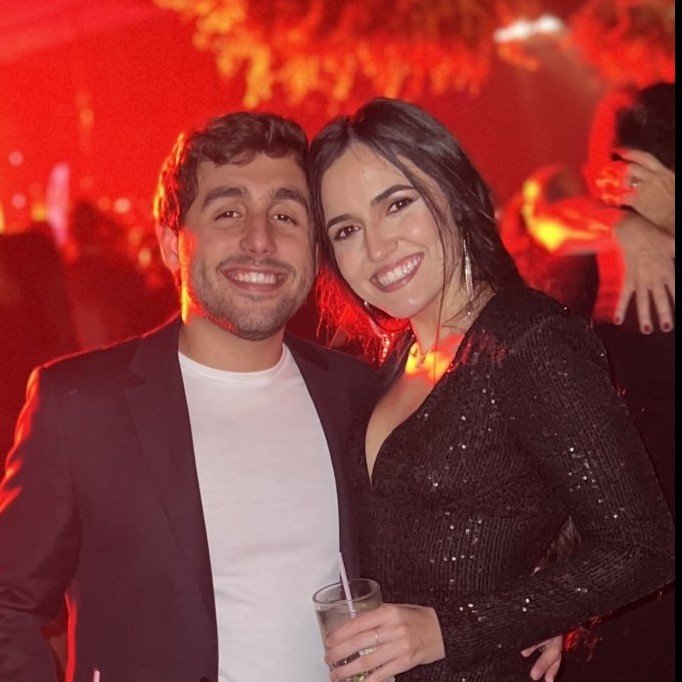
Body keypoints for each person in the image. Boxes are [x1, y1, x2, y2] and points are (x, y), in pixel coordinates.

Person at [0, 112, 377, 681]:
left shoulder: (359, 394)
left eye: (286, 215)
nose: (261, 239)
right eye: (229, 212)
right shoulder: (81, 406)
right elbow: (10, 603)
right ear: (172, 244)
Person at [307, 98, 675, 681]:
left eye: (397, 204)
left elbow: (643, 546)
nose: (376, 248)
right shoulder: (397, 357)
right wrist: (542, 606)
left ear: (453, 194)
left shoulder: (526, 340)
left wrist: (450, 631)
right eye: (347, 230)